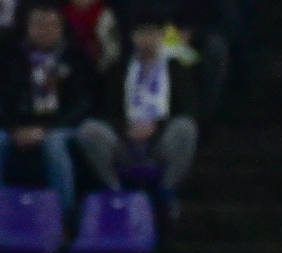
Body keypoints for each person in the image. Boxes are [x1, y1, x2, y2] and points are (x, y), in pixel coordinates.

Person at [75, 13, 198, 216]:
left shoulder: (176, 68)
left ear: (161, 36)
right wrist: (126, 129)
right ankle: (114, 190)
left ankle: (166, 191)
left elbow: (189, 108)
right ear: (133, 37)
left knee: (186, 127)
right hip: (125, 140)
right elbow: (106, 110)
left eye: (152, 34)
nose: (147, 40)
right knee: (89, 130)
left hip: (159, 140)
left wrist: (156, 126)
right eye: (142, 34)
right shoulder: (118, 69)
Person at [0, 2, 94, 214]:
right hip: (17, 126)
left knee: (54, 145)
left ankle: (62, 218)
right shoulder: (10, 56)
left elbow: (83, 103)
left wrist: (45, 130)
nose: (45, 31)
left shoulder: (75, 57)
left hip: (60, 127)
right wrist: (13, 128)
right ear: (28, 27)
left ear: (61, 28)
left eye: (51, 26)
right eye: (39, 25)